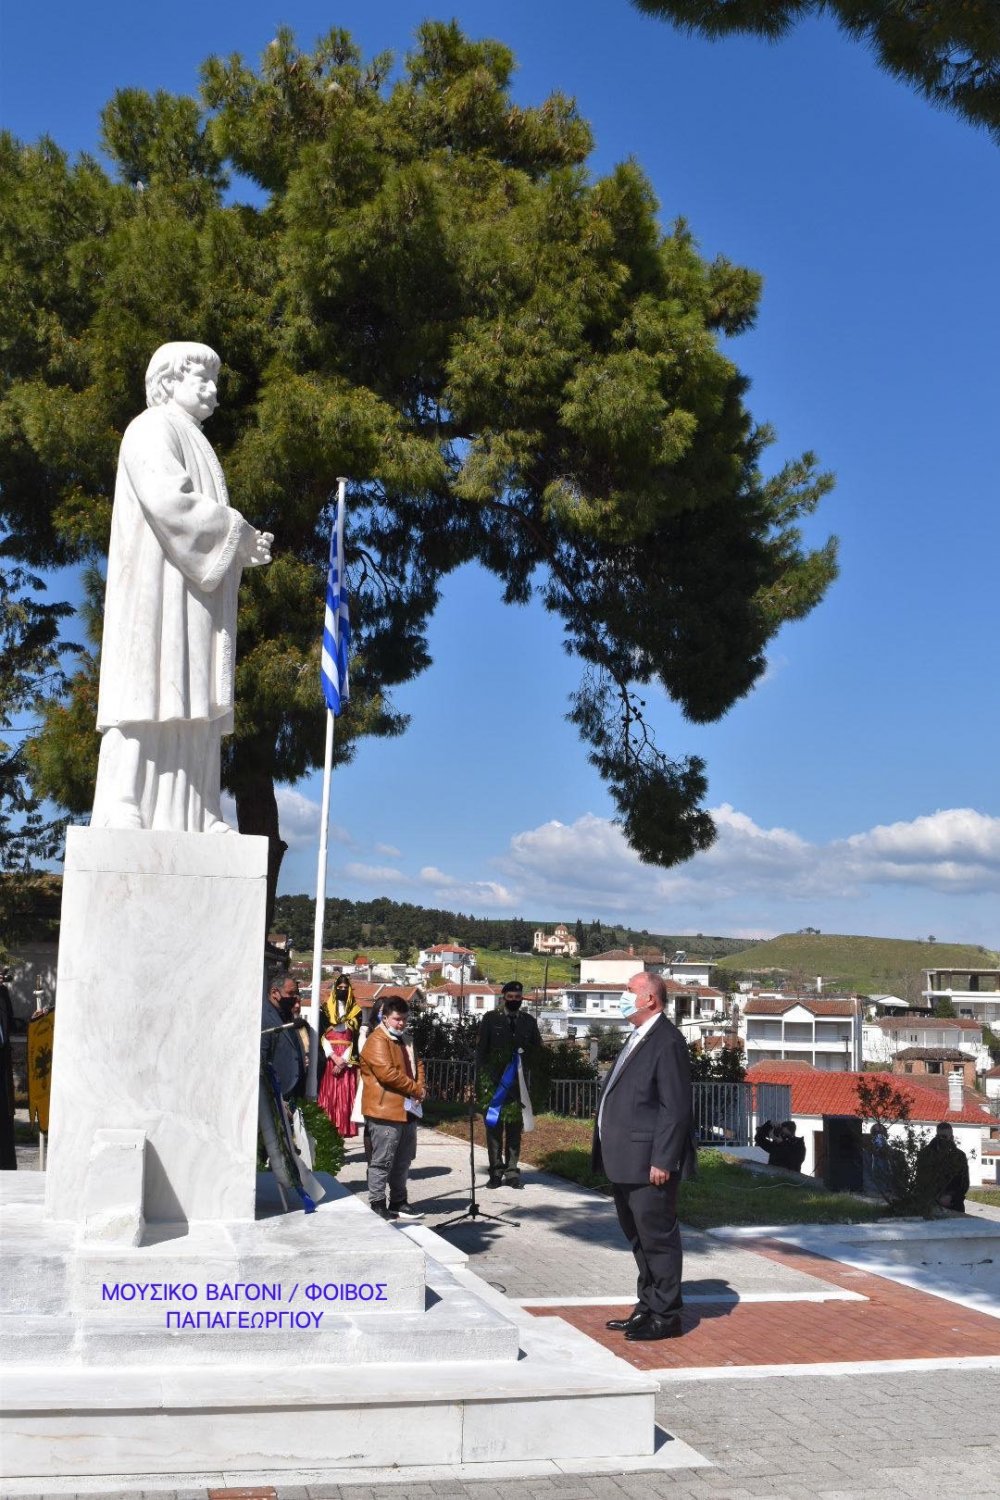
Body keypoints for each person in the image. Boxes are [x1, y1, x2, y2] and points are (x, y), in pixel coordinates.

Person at [91, 341, 273, 833]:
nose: (214, 391)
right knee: (147, 685)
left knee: (195, 694)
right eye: (203, 380)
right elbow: (171, 502)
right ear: (170, 381)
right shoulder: (150, 428)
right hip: (156, 588)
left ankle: (200, 809)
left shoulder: (195, 440)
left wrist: (235, 545)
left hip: (195, 596)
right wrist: (237, 534)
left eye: (216, 381)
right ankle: (125, 801)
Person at [593, 972, 696, 1342]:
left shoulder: (666, 1041)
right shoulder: (638, 1036)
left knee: (658, 1239)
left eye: (629, 991)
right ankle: (648, 1305)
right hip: (624, 1160)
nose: (623, 996)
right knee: (638, 1237)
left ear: (650, 998)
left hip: (648, 1163)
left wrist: (663, 1160)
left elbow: (675, 1108)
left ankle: (666, 1316)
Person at [359, 996, 426, 1220]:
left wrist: (421, 1087)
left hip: (407, 1109)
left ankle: (398, 1200)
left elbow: (418, 1064)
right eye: (397, 1019)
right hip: (384, 1109)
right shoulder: (377, 1040)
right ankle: (377, 1202)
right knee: (382, 1160)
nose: (401, 1023)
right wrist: (415, 1089)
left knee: (404, 1159)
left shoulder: (406, 1039)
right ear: (385, 1018)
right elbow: (387, 1074)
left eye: (405, 1019)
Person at [476, 980, 543, 1188]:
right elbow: (481, 1052)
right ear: (503, 998)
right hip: (494, 1086)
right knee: (494, 1131)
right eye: (510, 997)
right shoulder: (490, 1019)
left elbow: (537, 1051)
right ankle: (495, 1172)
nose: (514, 1000)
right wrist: (483, 1081)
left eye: (518, 997)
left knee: (514, 1131)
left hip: (517, 1086)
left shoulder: (528, 1022)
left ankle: (512, 1172)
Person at [317, 1022, 359, 1138]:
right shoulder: (324, 1013)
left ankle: (343, 1127)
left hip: (347, 1063)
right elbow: (322, 1037)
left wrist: (343, 1061)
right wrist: (333, 1056)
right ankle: (328, 1127)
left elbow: (355, 1041)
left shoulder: (354, 1016)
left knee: (344, 1094)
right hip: (330, 1061)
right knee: (329, 1093)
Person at [917, 1121, 970, 1213]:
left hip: (954, 1204)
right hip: (930, 1204)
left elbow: (964, 1182)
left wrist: (951, 1197)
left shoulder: (959, 1156)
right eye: (939, 1136)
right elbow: (920, 1179)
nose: (942, 1139)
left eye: (945, 1137)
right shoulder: (925, 1154)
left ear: (951, 1137)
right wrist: (934, 1197)